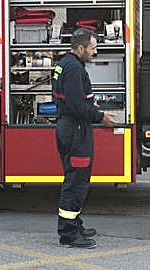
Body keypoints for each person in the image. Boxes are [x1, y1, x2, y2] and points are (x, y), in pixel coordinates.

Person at [52, 28, 116, 248]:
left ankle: (75, 224)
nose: (94, 52)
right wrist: (100, 116)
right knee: (76, 182)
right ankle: (69, 234)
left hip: (70, 127)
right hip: (76, 130)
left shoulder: (66, 64)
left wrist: (89, 105)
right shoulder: (73, 69)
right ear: (80, 48)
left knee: (76, 179)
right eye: (93, 47)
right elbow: (76, 105)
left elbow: (75, 100)